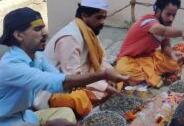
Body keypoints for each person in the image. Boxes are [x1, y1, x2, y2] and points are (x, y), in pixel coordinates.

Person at [0, 7, 128, 126]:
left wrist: (103, 77)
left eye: (43, 28)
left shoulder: (38, 57)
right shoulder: (11, 66)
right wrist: (104, 75)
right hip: (7, 121)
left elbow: (60, 78)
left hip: (26, 116)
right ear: (18, 35)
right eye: (37, 29)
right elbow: (59, 82)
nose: (45, 33)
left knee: (66, 113)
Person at [43, 0, 119, 117]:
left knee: (116, 80)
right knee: (79, 98)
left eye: (104, 18)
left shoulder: (90, 31)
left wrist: (109, 74)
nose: (102, 22)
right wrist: (105, 86)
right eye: (98, 17)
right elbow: (73, 77)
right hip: (60, 87)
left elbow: (101, 59)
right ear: (84, 15)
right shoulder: (70, 38)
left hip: (84, 76)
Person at [116, 0, 184, 88]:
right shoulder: (149, 22)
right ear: (159, 11)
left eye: (174, 15)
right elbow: (164, 31)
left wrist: (172, 54)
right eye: (168, 14)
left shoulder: (166, 24)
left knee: (175, 61)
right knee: (123, 72)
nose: (171, 18)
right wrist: (182, 32)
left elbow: (166, 46)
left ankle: (150, 74)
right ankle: (152, 74)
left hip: (149, 58)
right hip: (129, 60)